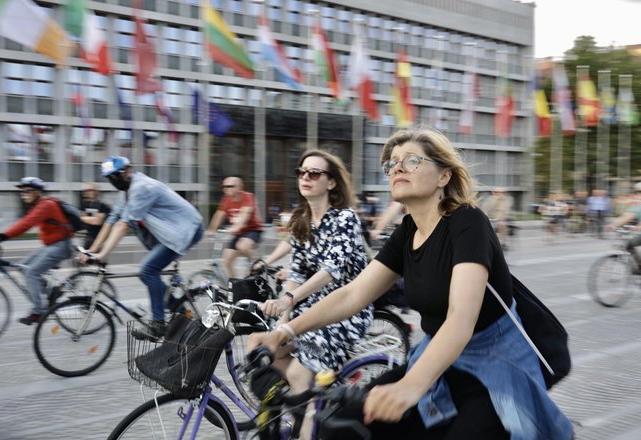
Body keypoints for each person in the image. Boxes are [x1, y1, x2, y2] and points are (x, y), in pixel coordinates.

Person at [249, 127, 573, 440]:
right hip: (438, 353)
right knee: (350, 422)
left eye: (412, 160)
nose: (397, 167)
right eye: (392, 163)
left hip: (495, 365)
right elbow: (353, 293)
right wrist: (285, 331)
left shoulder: (467, 222)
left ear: (443, 177)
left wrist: (411, 386)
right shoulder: (406, 232)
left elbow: (461, 317)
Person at [256, 149, 373, 439]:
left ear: (331, 183)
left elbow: (331, 271)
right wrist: (283, 321)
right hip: (311, 308)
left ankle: (307, 418)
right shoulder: (301, 221)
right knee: (260, 342)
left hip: (346, 311)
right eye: (302, 172)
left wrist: (290, 302)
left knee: (297, 374)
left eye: (314, 173)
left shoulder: (345, 218)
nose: (305, 177)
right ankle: (308, 399)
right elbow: (295, 275)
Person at [81, 157, 203, 340]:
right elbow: (112, 219)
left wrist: (102, 255)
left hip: (187, 230)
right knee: (150, 273)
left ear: (127, 172)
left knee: (147, 270)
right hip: (169, 233)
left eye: (115, 176)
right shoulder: (126, 192)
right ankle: (181, 310)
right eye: (109, 178)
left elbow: (123, 225)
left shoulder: (141, 188)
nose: (113, 181)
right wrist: (93, 248)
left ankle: (158, 325)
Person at [0, 177, 73, 325]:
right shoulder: (39, 205)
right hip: (51, 245)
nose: (24, 194)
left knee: (31, 272)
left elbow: (26, 223)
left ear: (39, 192)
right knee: (22, 267)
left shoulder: (46, 204)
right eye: (22, 191)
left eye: (29, 191)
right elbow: (27, 221)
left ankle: (38, 312)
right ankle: (50, 291)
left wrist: (4, 236)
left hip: (61, 245)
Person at [206, 176, 264, 278]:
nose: (226, 189)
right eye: (224, 187)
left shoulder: (248, 196)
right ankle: (235, 286)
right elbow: (219, 215)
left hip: (253, 230)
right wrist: (212, 229)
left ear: (240, 187)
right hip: (239, 232)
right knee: (226, 260)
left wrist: (237, 227)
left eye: (230, 186)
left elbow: (245, 213)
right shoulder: (226, 200)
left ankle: (258, 264)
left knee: (242, 246)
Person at [605, 182, 641, 271]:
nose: (639, 194)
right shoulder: (638, 206)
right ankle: (639, 266)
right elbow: (626, 216)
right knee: (630, 243)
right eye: (638, 192)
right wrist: (612, 225)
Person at [79, 182, 112, 250]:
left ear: (96, 191)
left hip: (100, 237)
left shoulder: (102, 205)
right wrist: (88, 218)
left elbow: (97, 221)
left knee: (93, 257)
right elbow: (82, 217)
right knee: (82, 257)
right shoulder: (85, 204)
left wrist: (84, 218)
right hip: (89, 236)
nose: (87, 192)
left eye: (90, 190)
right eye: (86, 190)